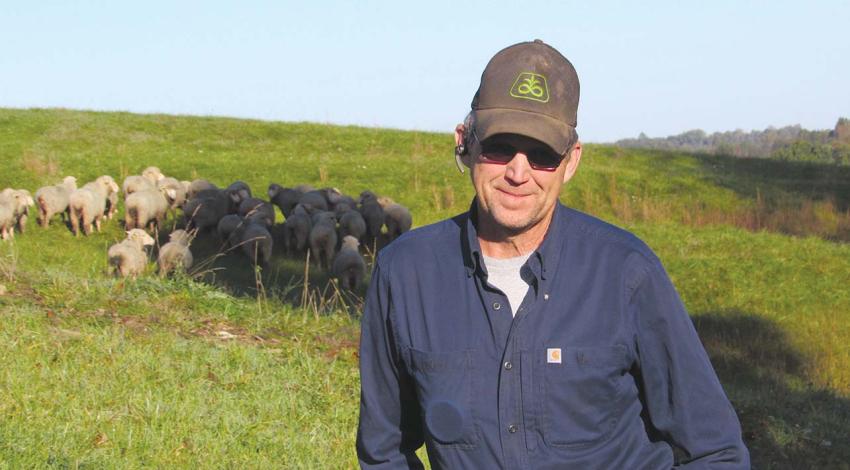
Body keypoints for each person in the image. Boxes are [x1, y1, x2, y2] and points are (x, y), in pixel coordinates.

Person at [356, 40, 749, 469]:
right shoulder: (405, 273)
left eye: (542, 154)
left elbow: (716, 451)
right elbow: (383, 452)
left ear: (572, 161)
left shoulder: (626, 273)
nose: (518, 173)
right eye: (500, 146)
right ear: (465, 142)